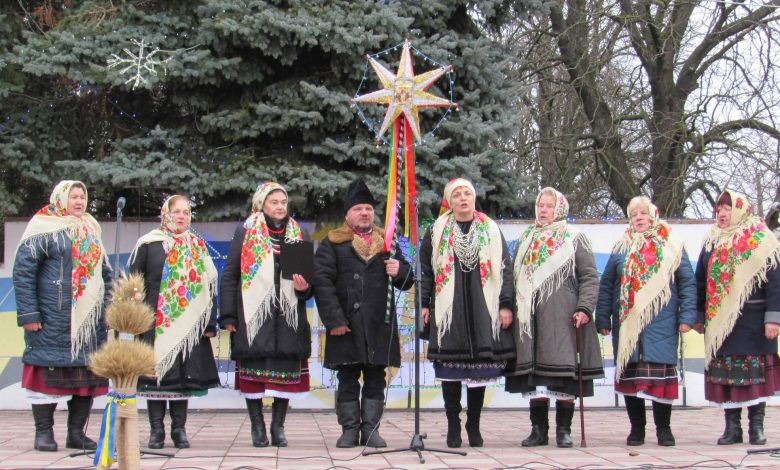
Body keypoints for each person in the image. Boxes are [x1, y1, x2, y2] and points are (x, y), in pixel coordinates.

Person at [313, 179, 414, 448]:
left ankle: (371, 430)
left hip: (378, 325)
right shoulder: (332, 244)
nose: (365, 213)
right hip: (345, 325)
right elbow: (322, 283)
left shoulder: (388, 244)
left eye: (368, 208)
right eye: (358, 209)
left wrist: (400, 271)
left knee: (375, 378)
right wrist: (334, 320)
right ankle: (349, 430)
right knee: (346, 378)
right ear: (347, 214)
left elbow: (408, 281)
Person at [13, 180, 112, 452]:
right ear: (60, 199)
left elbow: (106, 274)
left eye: (82, 197)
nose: (79, 201)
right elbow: (23, 274)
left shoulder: (91, 229)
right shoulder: (42, 228)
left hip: (87, 323)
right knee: (47, 374)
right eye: (73, 197)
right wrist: (29, 314)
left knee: (85, 378)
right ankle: (43, 434)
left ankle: (76, 434)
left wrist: (109, 309)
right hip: (50, 317)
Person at [419, 178, 515, 448]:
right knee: (451, 371)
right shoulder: (436, 230)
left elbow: (505, 269)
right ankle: (453, 424)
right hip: (449, 309)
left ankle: (474, 423)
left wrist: (505, 305)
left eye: (467, 193)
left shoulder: (491, 229)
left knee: (478, 372)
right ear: (449, 201)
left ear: (474, 198)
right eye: (457, 194)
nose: (463, 198)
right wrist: (424, 304)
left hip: (483, 306)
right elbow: (426, 270)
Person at [505, 187, 603, 448]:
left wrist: (584, 308)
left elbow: (589, 277)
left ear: (559, 209)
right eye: (540, 205)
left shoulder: (574, 237)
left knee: (562, 375)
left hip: (563, 318)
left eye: (549, 206)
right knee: (535, 377)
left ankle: (563, 430)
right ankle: (538, 431)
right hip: (530, 320)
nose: (543, 210)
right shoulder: (527, 237)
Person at [595, 196, 696, 446]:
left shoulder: (672, 245)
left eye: (643, 213)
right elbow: (607, 284)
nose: (639, 218)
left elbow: (687, 283)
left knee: (660, 380)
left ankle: (664, 429)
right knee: (631, 379)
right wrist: (603, 317)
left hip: (661, 324)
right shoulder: (621, 247)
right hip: (627, 324)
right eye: (634, 214)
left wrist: (687, 317)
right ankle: (636, 430)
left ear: (653, 215)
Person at [220, 182, 313, 447]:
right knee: (253, 374)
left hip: (288, 317)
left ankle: (278, 427)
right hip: (253, 317)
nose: (280, 206)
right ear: (261, 204)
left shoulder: (299, 233)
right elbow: (230, 274)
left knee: (285, 375)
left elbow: (308, 280)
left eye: (283, 202)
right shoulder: (246, 231)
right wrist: (228, 315)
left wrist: (305, 288)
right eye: (274, 202)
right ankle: (257, 426)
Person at [128, 195, 220, 449]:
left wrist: (209, 323)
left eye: (187, 212)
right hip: (154, 325)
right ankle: (156, 431)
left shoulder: (197, 246)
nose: (182, 216)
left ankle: (179, 430)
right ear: (165, 214)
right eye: (177, 211)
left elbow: (209, 288)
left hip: (189, 325)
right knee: (157, 378)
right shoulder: (148, 244)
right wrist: (134, 318)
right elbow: (134, 284)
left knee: (182, 378)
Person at [694, 190, 780, 445]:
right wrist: (699, 316)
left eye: (728, 208)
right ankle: (732, 428)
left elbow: (775, 283)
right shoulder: (712, 241)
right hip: (721, 322)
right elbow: (701, 282)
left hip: (753, 321)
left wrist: (773, 318)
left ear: (741, 210)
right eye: (719, 208)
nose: (722, 213)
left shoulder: (762, 239)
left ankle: (756, 427)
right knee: (727, 376)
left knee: (754, 376)